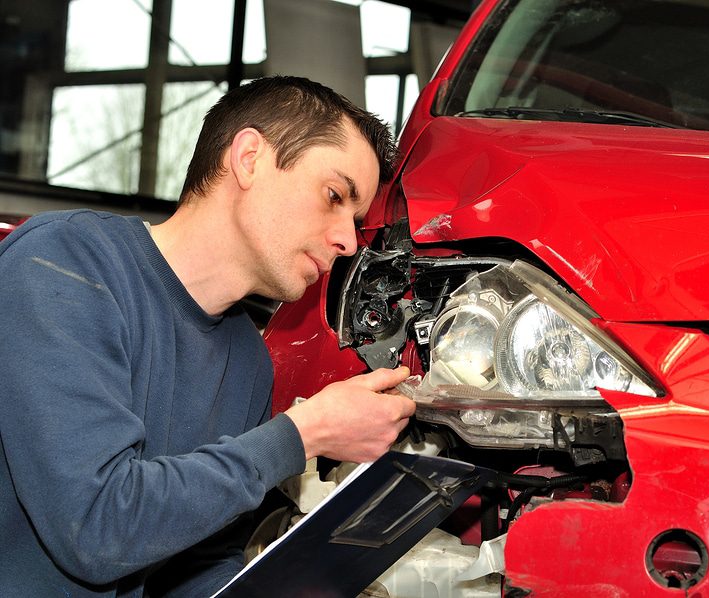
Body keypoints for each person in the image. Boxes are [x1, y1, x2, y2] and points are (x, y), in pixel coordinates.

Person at [0, 76, 416, 596]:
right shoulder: (64, 265)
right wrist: (302, 434)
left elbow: (196, 569)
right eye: (334, 195)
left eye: (355, 220)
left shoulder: (248, 361)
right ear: (249, 158)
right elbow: (97, 528)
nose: (348, 241)